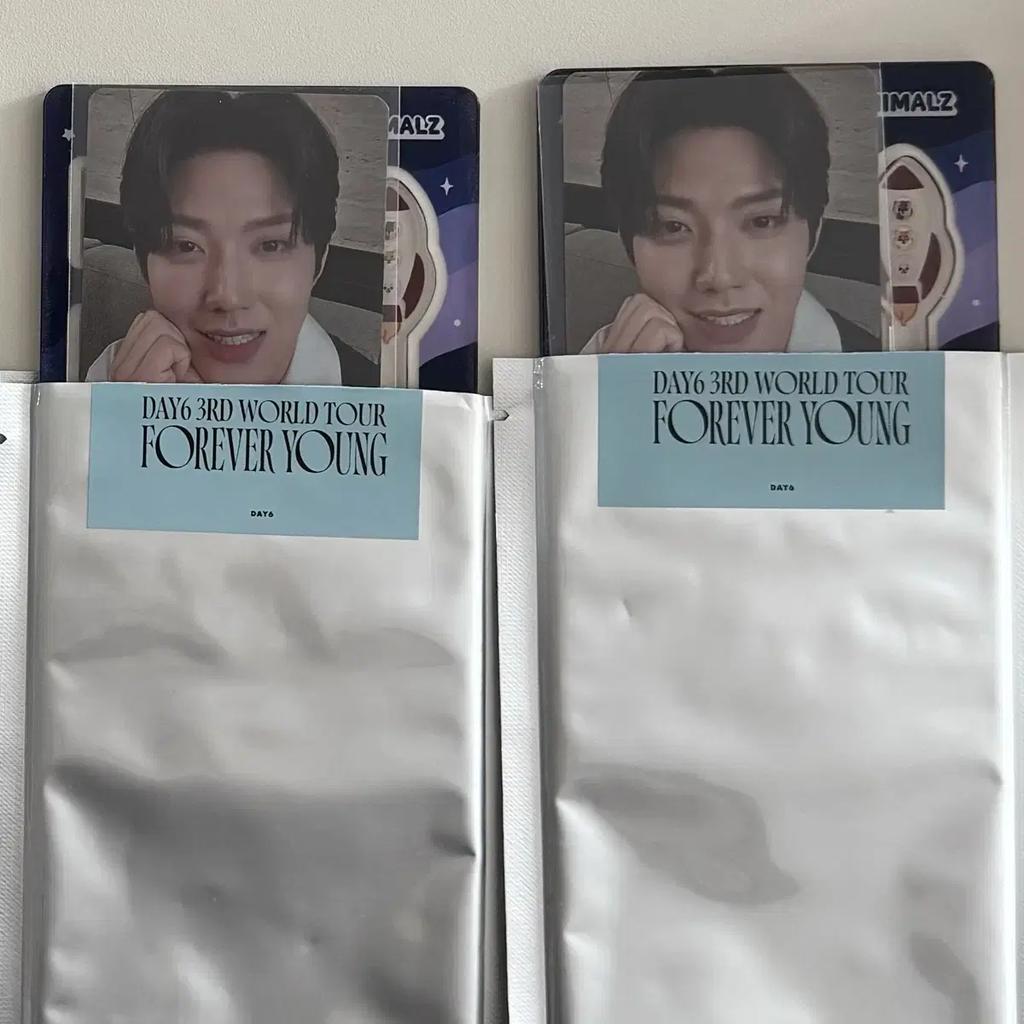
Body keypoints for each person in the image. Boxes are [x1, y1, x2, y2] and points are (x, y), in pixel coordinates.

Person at [584, 68, 878, 354]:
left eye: (762, 221)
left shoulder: (886, 368)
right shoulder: (591, 368)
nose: (719, 277)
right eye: (673, 226)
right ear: (629, 245)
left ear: (813, 233)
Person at [87, 89, 371, 384]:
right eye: (186, 246)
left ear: (319, 261)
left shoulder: (381, 392)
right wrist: (128, 409)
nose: (228, 296)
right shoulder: (109, 379)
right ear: (143, 261)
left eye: (270, 245)